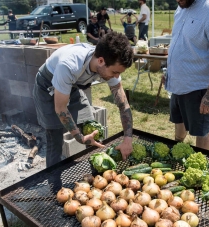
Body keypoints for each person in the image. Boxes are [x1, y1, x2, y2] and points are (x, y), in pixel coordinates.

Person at [33, 32, 134, 171]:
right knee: (55, 138)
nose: (116, 77)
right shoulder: (69, 65)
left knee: (92, 128)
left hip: (73, 85)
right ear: (100, 61)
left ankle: (96, 174)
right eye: (115, 72)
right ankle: (54, 184)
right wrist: (80, 138)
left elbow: (123, 105)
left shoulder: (105, 63)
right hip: (47, 86)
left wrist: (128, 138)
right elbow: (61, 108)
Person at [163, 0, 209, 150]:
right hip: (178, 83)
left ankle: (201, 164)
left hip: (199, 86)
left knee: (201, 130)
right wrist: (170, 71)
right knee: (179, 121)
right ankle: (177, 150)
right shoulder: (182, 6)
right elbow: (181, 41)